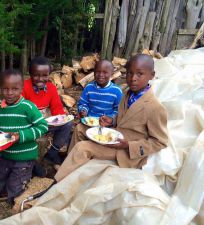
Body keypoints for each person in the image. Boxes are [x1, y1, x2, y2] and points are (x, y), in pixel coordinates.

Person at [55, 54, 168, 182]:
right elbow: (124, 118)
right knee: (80, 129)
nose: (133, 78)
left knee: (82, 148)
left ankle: (59, 182)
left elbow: (160, 142)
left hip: (125, 152)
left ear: (151, 75)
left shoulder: (154, 107)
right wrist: (112, 120)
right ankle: (70, 166)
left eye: (139, 74)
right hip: (112, 137)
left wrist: (129, 145)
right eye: (130, 73)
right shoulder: (127, 94)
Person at [0, 69, 48, 204]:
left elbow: (43, 126)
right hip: (6, 155)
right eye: (5, 89)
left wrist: (21, 135)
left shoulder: (28, 107)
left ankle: (15, 196)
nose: (10, 93)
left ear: (22, 88)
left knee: (15, 185)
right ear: (0, 89)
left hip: (24, 156)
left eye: (14, 89)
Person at [22, 56, 73, 166]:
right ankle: (30, 159)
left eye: (44, 75)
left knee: (68, 124)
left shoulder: (51, 88)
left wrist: (61, 117)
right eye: (36, 75)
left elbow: (56, 107)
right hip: (29, 125)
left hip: (45, 123)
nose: (40, 79)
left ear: (49, 75)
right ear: (30, 74)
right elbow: (20, 110)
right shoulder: (24, 87)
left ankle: (52, 153)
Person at [68, 60, 123, 151]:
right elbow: (83, 103)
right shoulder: (89, 88)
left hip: (106, 125)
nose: (101, 75)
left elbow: (118, 110)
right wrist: (83, 110)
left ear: (112, 73)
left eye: (105, 72)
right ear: (94, 73)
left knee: (105, 141)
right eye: (98, 72)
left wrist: (111, 118)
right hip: (89, 122)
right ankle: (71, 154)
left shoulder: (116, 91)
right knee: (78, 129)